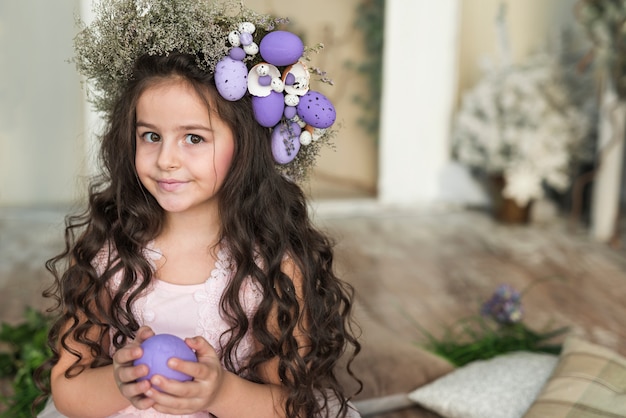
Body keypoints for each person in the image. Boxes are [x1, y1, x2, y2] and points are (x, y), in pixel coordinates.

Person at [35, 1, 362, 417]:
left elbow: (294, 406)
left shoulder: (273, 266)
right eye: (151, 135)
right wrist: (122, 384)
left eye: (193, 138)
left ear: (245, 145)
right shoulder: (112, 251)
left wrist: (220, 393)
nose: (166, 159)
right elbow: (68, 389)